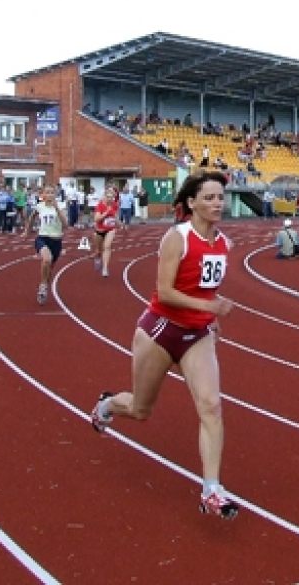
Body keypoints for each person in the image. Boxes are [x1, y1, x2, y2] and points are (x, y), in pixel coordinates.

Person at [90, 171, 239, 519]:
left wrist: (209, 312)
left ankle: (212, 489)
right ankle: (108, 406)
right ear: (192, 203)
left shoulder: (223, 243)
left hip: (197, 335)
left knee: (211, 406)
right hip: (159, 329)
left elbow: (205, 287)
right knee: (141, 410)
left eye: (221, 197)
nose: (217, 203)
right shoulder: (177, 238)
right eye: (210, 198)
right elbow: (166, 291)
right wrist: (210, 307)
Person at [25, 183, 69, 305]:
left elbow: (65, 225)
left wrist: (57, 209)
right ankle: (43, 286)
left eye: (52, 192)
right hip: (42, 238)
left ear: (55, 194)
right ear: (43, 194)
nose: (49, 195)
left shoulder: (61, 206)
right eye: (47, 192)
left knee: (49, 269)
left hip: (56, 240)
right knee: (47, 259)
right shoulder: (40, 206)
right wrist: (26, 231)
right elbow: (32, 217)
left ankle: (44, 284)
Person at [93, 185, 120, 277]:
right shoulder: (100, 205)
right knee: (98, 250)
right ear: (104, 196)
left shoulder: (115, 205)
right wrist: (106, 213)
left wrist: (119, 223)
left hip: (111, 229)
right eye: (108, 197)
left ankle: (105, 268)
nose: (110, 199)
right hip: (100, 230)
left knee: (107, 247)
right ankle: (97, 258)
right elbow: (96, 219)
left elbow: (116, 216)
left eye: (112, 197)